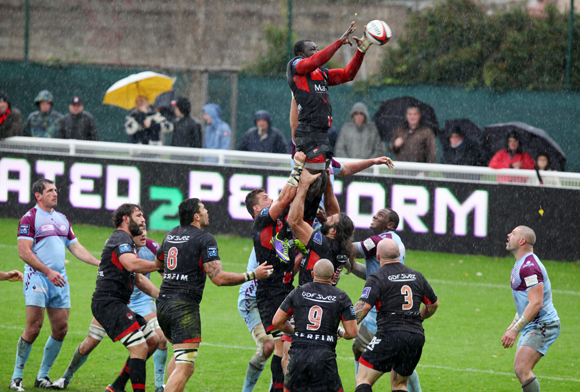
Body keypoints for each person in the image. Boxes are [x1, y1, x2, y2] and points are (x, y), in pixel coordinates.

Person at [154, 198, 272, 392]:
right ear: (196, 216)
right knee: (185, 368)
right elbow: (219, 278)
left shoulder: (171, 235)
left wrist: (174, 281)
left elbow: (159, 264)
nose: (208, 212)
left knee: (179, 355)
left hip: (164, 304)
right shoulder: (204, 238)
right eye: (204, 209)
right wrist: (252, 275)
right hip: (184, 309)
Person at [10, 178, 100, 392]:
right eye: (50, 190)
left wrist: (98, 262)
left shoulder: (62, 219)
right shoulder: (29, 218)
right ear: (38, 195)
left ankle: (42, 376)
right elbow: (24, 252)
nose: (55, 193)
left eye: (56, 190)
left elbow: (75, 247)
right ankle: (16, 378)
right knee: (34, 328)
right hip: (38, 277)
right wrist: (47, 271)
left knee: (61, 329)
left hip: (59, 280)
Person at [51, 227, 166, 392]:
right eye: (139, 230)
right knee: (90, 342)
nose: (143, 233)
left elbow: (154, 277)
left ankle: (158, 386)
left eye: (145, 228)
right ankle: (65, 377)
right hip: (114, 302)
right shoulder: (119, 245)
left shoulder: (153, 247)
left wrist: (165, 296)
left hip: (141, 300)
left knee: (158, 340)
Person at [244, 152, 306, 392]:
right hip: (271, 293)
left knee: (287, 347)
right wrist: (298, 168)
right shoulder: (261, 219)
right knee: (284, 348)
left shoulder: (281, 225)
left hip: (285, 289)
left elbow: (294, 257)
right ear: (257, 207)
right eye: (265, 197)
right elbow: (283, 199)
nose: (271, 199)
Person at [348, 208, 422, 392]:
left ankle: (361, 383)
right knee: (401, 362)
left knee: (360, 350)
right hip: (401, 313)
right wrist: (347, 264)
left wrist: (331, 235)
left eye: (380, 216)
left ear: (390, 224)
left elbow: (351, 250)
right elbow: (373, 275)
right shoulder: (394, 242)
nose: (374, 216)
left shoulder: (379, 241)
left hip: (379, 310)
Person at [353, 239, 439, 392]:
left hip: (390, 334)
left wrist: (348, 325)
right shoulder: (417, 276)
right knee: (399, 385)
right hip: (415, 337)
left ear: (378, 257)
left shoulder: (377, 277)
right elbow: (433, 304)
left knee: (363, 378)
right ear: (399, 254)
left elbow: (364, 306)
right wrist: (420, 317)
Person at [91, 204, 160, 392]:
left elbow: (138, 279)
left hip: (117, 304)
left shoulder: (128, 242)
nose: (143, 219)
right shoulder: (121, 238)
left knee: (152, 341)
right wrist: (160, 264)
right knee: (139, 348)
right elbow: (131, 265)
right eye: (139, 215)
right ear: (126, 219)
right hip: (108, 303)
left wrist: (160, 298)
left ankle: (117, 386)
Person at [272, 259, 358, 392]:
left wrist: (294, 331)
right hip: (324, 359)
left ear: (312, 274)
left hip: (298, 357)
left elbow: (277, 321)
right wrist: (340, 332)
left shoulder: (298, 293)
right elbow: (352, 333)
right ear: (334, 276)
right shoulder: (341, 297)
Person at [501, 226, 560, 392]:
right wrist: (515, 322)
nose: (508, 234)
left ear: (522, 241)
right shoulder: (521, 263)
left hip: (543, 325)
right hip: (532, 324)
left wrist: (515, 330)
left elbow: (536, 303)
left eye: (513, 233)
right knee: (521, 369)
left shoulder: (529, 267)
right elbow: (526, 300)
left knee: (521, 368)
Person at [287, 168, 354, 287]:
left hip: (309, 299)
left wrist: (304, 185)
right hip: (324, 297)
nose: (327, 217)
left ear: (333, 231)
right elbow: (333, 213)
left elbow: (294, 222)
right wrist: (328, 184)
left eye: (330, 219)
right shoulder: (340, 246)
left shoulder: (323, 245)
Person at [237, 248, 275, 392]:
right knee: (268, 345)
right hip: (252, 299)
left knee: (286, 349)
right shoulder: (268, 234)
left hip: (277, 298)